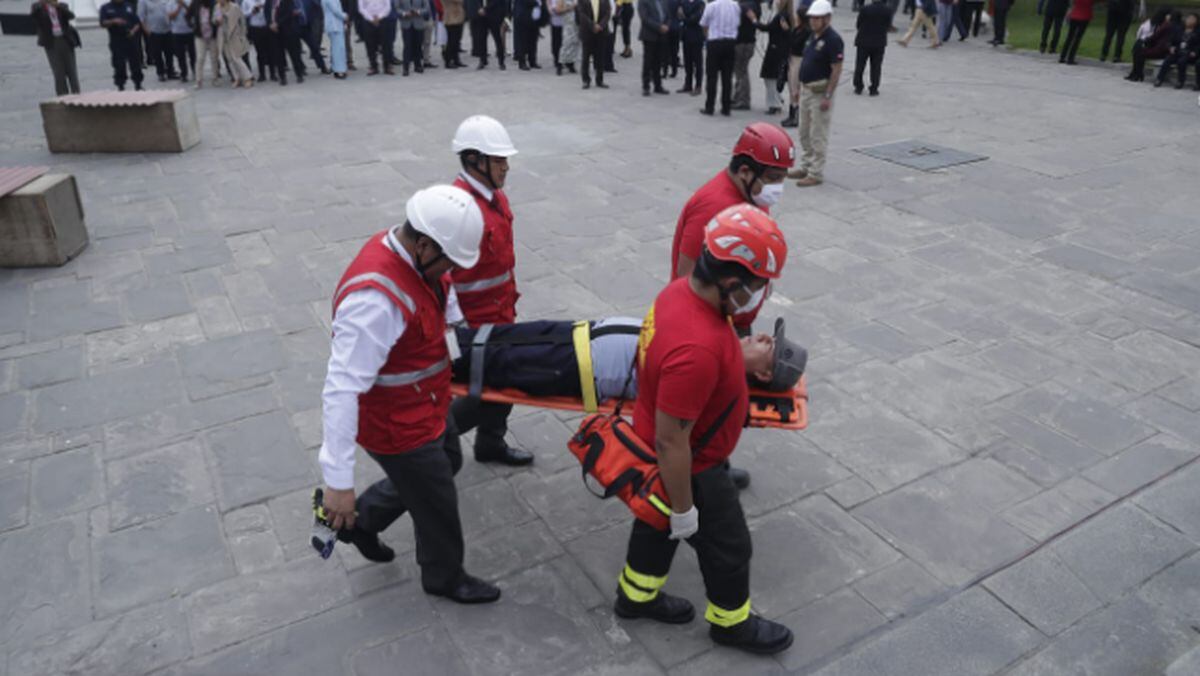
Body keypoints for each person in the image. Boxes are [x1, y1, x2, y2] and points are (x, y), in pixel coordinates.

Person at [610, 204, 794, 656]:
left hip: (672, 445)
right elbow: (672, 441)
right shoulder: (696, 349)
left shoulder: (679, 293)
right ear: (730, 283)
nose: (760, 295)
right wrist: (686, 508)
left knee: (653, 527)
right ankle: (731, 624)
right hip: (693, 463)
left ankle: (635, 597)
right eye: (757, 286)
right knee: (730, 546)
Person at [318, 185, 502, 606]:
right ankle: (444, 576)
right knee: (437, 502)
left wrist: (455, 347)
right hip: (396, 424)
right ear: (423, 245)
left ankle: (364, 522)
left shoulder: (418, 256)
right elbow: (341, 389)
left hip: (427, 405)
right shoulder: (374, 302)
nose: (452, 270)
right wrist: (338, 483)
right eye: (450, 261)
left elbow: (442, 297)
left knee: (450, 460)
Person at [446, 116, 533, 468]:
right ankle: (435, 440)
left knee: (504, 383)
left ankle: (490, 442)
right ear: (474, 161)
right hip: (473, 322)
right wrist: (455, 328)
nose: (507, 167)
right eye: (499, 161)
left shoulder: (495, 197)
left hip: (500, 313)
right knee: (483, 390)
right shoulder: (459, 208)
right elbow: (442, 276)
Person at [450, 316, 804, 402]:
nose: (761, 336)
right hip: (585, 332)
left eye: (768, 346)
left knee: (491, 361)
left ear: (762, 375)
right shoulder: (722, 346)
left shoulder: (714, 376)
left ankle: (421, 361)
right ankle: (439, 341)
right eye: (769, 335)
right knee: (495, 336)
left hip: (580, 367)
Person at [792, 0, 841, 187]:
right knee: (804, 131)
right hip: (806, 89)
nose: (812, 22)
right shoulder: (813, 36)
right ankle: (805, 165)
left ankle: (816, 172)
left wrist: (828, 96)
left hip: (820, 92)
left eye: (817, 19)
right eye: (811, 18)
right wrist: (797, 89)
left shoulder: (833, 39)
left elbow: (836, 69)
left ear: (827, 18)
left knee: (818, 134)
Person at [31, 0, 82, 96]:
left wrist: (57, 6)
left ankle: (77, 94)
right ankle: (63, 96)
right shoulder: (37, 7)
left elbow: (71, 16)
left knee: (72, 71)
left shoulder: (62, 5)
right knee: (58, 72)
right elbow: (33, 17)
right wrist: (42, 4)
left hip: (65, 40)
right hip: (51, 42)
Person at [699, 0, 740, 115]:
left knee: (712, 77)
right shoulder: (735, 5)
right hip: (730, 43)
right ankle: (726, 107)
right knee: (727, 77)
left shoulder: (711, 6)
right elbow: (737, 23)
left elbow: (704, 24)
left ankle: (710, 106)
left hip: (715, 42)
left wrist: (707, 37)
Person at [100, 0, 146, 90]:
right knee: (119, 63)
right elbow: (102, 23)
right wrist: (113, 21)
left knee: (135, 62)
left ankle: (138, 84)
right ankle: (120, 85)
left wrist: (133, 31)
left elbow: (137, 22)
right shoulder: (106, 8)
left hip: (131, 39)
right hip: (117, 39)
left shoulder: (129, 6)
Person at [759, 0, 792, 113]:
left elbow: (768, 28)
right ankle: (777, 99)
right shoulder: (787, 15)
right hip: (781, 49)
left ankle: (774, 103)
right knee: (773, 76)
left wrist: (754, 21)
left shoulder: (781, 16)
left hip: (775, 49)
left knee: (770, 77)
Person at [1126, 9, 1174, 81]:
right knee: (1138, 46)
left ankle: (1137, 74)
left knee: (1139, 50)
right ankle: (1136, 73)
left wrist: (1145, 41)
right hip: (1154, 44)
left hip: (1159, 48)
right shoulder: (1158, 23)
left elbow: (1155, 37)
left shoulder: (1166, 25)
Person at [1154, 12, 1199, 89]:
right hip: (1178, 51)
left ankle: (1180, 81)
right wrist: (1171, 47)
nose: (1189, 20)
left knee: (1181, 61)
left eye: (1192, 19)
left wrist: (1195, 52)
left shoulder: (1197, 32)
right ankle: (1159, 79)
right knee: (1167, 60)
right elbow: (1171, 40)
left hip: (1189, 53)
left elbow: (1198, 45)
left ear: (1197, 22)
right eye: (1189, 18)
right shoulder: (1179, 29)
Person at [217, 0, 257, 85]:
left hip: (235, 35)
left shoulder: (234, 7)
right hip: (224, 37)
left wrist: (243, 35)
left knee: (237, 58)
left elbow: (241, 21)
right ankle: (237, 78)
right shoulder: (217, 7)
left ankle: (248, 77)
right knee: (230, 59)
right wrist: (217, 20)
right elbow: (215, 19)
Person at [853, 0, 889, 95]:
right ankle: (874, 88)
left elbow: (858, 24)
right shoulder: (888, 10)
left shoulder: (865, 9)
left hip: (863, 41)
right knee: (876, 66)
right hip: (879, 42)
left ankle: (858, 86)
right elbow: (888, 25)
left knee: (860, 65)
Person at [780, 10, 808, 125]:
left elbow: (795, 43)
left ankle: (795, 115)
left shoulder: (806, 32)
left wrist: (787, 31)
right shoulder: (798, 29)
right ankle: (792, 113)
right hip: (792, 58)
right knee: (792, 87)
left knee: (795, 87)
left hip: (799, 59)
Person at [269, 0, 309, 80]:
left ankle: (299, 75)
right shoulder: (270, 2)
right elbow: (266, 13)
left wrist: (277, 24)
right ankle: (282, 78)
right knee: (279, 56)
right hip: (275, 33)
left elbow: (289, 14)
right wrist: (270, 24)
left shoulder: (288, 1)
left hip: (289, 31)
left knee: (294, 55)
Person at [732, 0, 760, 110]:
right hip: (748, 41)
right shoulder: (754, 4)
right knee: (741, 71)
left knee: (741, 71)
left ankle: (743, 99)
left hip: (742, 42)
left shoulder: (744, 6)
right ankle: (739, 96)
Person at [577, 0, 611, 88]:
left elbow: (607, 13)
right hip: (587, 31)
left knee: (600, 57)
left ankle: (599, 80)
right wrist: (593, 25)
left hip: (601, 32)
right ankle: (586, 80)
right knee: (586, 57)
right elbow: (581, 14)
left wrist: (601, 25)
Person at [638, 0, 670, 95]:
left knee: (658, 61)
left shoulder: (663, 2)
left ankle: (658, 85)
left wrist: (667, 25)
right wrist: (659, 27)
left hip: (662, 36)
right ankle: (646, 86)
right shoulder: (643, 1)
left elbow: (667, 15)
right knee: (648, 61)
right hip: (649, 35)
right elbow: (645, 18)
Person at [140, 0, 176, 80]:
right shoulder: (143, 2)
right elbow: (141, 18)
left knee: (169, 53)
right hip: (154, 32)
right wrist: (147, 31)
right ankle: (161, 73)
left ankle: (170, 72)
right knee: (157, 54)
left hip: (167, 30)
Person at [189, 0, 221, 87]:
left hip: (212, 35)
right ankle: (198, 81)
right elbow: (188, 16)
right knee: (200, 58)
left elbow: (218, 17)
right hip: (199, 35)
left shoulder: (214, 4)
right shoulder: (195, 3)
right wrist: (192, 26)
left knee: (214, 57)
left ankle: (215, 79)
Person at [467, 0, 506, 69]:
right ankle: (482, 60)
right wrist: (479, 8)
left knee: (497, 39)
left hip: (493, 16)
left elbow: (495, 2)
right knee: (481, 39)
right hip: (481, 17)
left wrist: (484, 9)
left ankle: (501, 61)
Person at [244, 0, 275, 80]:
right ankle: (262, 75)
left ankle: (273, 74)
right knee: (259, 52)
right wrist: (252, 11)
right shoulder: (246, 1)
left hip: (266, 27)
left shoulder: (265, 1)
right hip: (255, 29)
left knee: (271, 51)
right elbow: (243, 14)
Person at [396, 0, 430, 73]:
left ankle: (418, 65)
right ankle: (406, 68)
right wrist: (404, 13)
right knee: (407, 46)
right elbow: (396, 8)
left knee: (418, 45)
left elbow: (427, 8)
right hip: (406, 24)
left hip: (418, 24)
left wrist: (418, 12)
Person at [1059, 0, 1097, 64]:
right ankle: (1070, 58)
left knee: (1069, 37)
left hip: (1074, 15)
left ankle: (1062, 56)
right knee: (1077, 38)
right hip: (1084, 16)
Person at [677, 0, 703, 93]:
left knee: (698, 63)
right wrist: (684, 17)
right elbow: (679, 15)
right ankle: (688, 84)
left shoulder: (700, 3)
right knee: (687, 62)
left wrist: (684, 18)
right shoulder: (684, 3)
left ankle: (698, 85)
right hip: (686, 37)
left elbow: (695, 19)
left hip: (696, 37)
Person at [359, 0, 391, 73]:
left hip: (383, 20)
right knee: (370, 45)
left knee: (386, 44)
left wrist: (379, 17)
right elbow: (361, 8)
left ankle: (386, 66)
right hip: (368, 21)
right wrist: (371, 19)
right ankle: (373, 67)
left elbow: (387, 7)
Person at [167, 0, 195, 81]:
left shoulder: (189, 2)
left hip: (190, 31)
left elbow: (193, 13)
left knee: (193, 53)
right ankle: (184, 73)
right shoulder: (170, 3)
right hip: (177, 32)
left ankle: (195, 71)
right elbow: (170, 17)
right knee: (180, 55)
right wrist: (178, 8)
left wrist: (184, 5)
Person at [322, 0, 349, 77]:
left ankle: (337, 68)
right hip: (334, 25)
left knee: (337, 48)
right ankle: (339, 70)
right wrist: (345, 16)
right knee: (338, 49)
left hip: (336, 24)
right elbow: (336, 10)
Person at [552, 0, 580, 74]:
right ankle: (560, 64)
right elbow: (558, 10)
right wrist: (570, 7)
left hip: (577, 24)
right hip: (568, 24)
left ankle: (571, 64)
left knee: (575, 44)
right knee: (566, 44)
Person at [443, 0, 466, 67]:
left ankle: (456, 60)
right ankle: (448, 61)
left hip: (457, 18)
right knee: (451, 41)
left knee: (456, 41)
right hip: (451, 18)